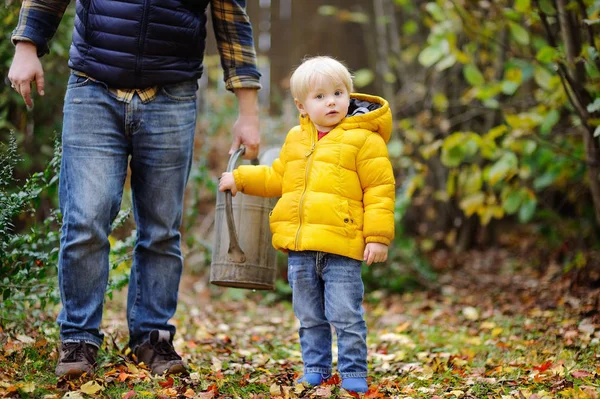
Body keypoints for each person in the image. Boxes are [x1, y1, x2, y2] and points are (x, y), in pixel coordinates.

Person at [7, 0, 261, 379]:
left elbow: (232, 19)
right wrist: (27, 44)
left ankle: (152, 338)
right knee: (85, 222)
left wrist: (249, 111)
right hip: (94, 89)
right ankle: (79, 339)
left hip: (172, 95)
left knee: (161, 229)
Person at [218, 56, 395, 393]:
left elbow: (380, 190)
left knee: (345, 314)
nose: (331, 101)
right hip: (300, 248)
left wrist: (378, 236)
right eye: (320, 96)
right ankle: (315, 367)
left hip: (342, 247)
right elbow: (277, 177)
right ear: (301, 105)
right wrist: (240, 178)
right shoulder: (296, 140)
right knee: (309, 314)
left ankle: (353, 370)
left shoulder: (364, 140)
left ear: (349, 94)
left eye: (338, 93)